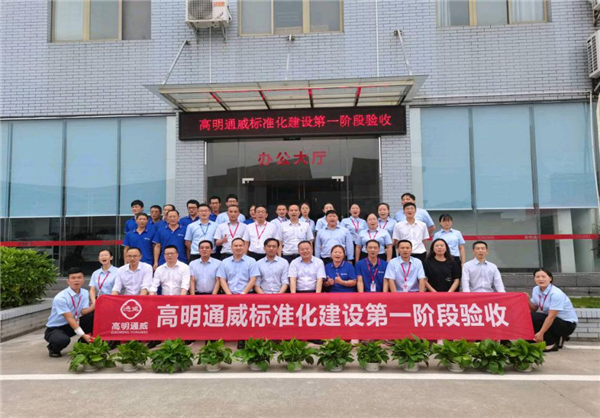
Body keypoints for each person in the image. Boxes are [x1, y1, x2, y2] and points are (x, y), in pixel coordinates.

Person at [45, 267, 95, 357]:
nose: (76, 280)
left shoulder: (84, 293)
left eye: (79, 277)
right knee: (62, 340)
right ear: (68, 281)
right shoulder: (61, 298)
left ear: (83, 280)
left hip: (72, 325)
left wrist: (95, 305)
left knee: (91, 316)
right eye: (73, 278)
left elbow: (84, 312)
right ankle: (53, 348)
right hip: (56, 328)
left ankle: (83, 345)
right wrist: (83, 335)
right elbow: (70, 319)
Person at [528, 269, 578, 351]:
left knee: (534, 317)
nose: (540, 279)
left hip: (567, 324)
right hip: (554, 321)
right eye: (537, 277)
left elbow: (551, 316)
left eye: (543, 276)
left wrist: (541, 333)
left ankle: (550, 343)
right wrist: (526, 299)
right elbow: (534, 308)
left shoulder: (556, 293)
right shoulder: (536, 289)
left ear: (550, 278)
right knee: (528, 316)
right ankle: (553, 339)